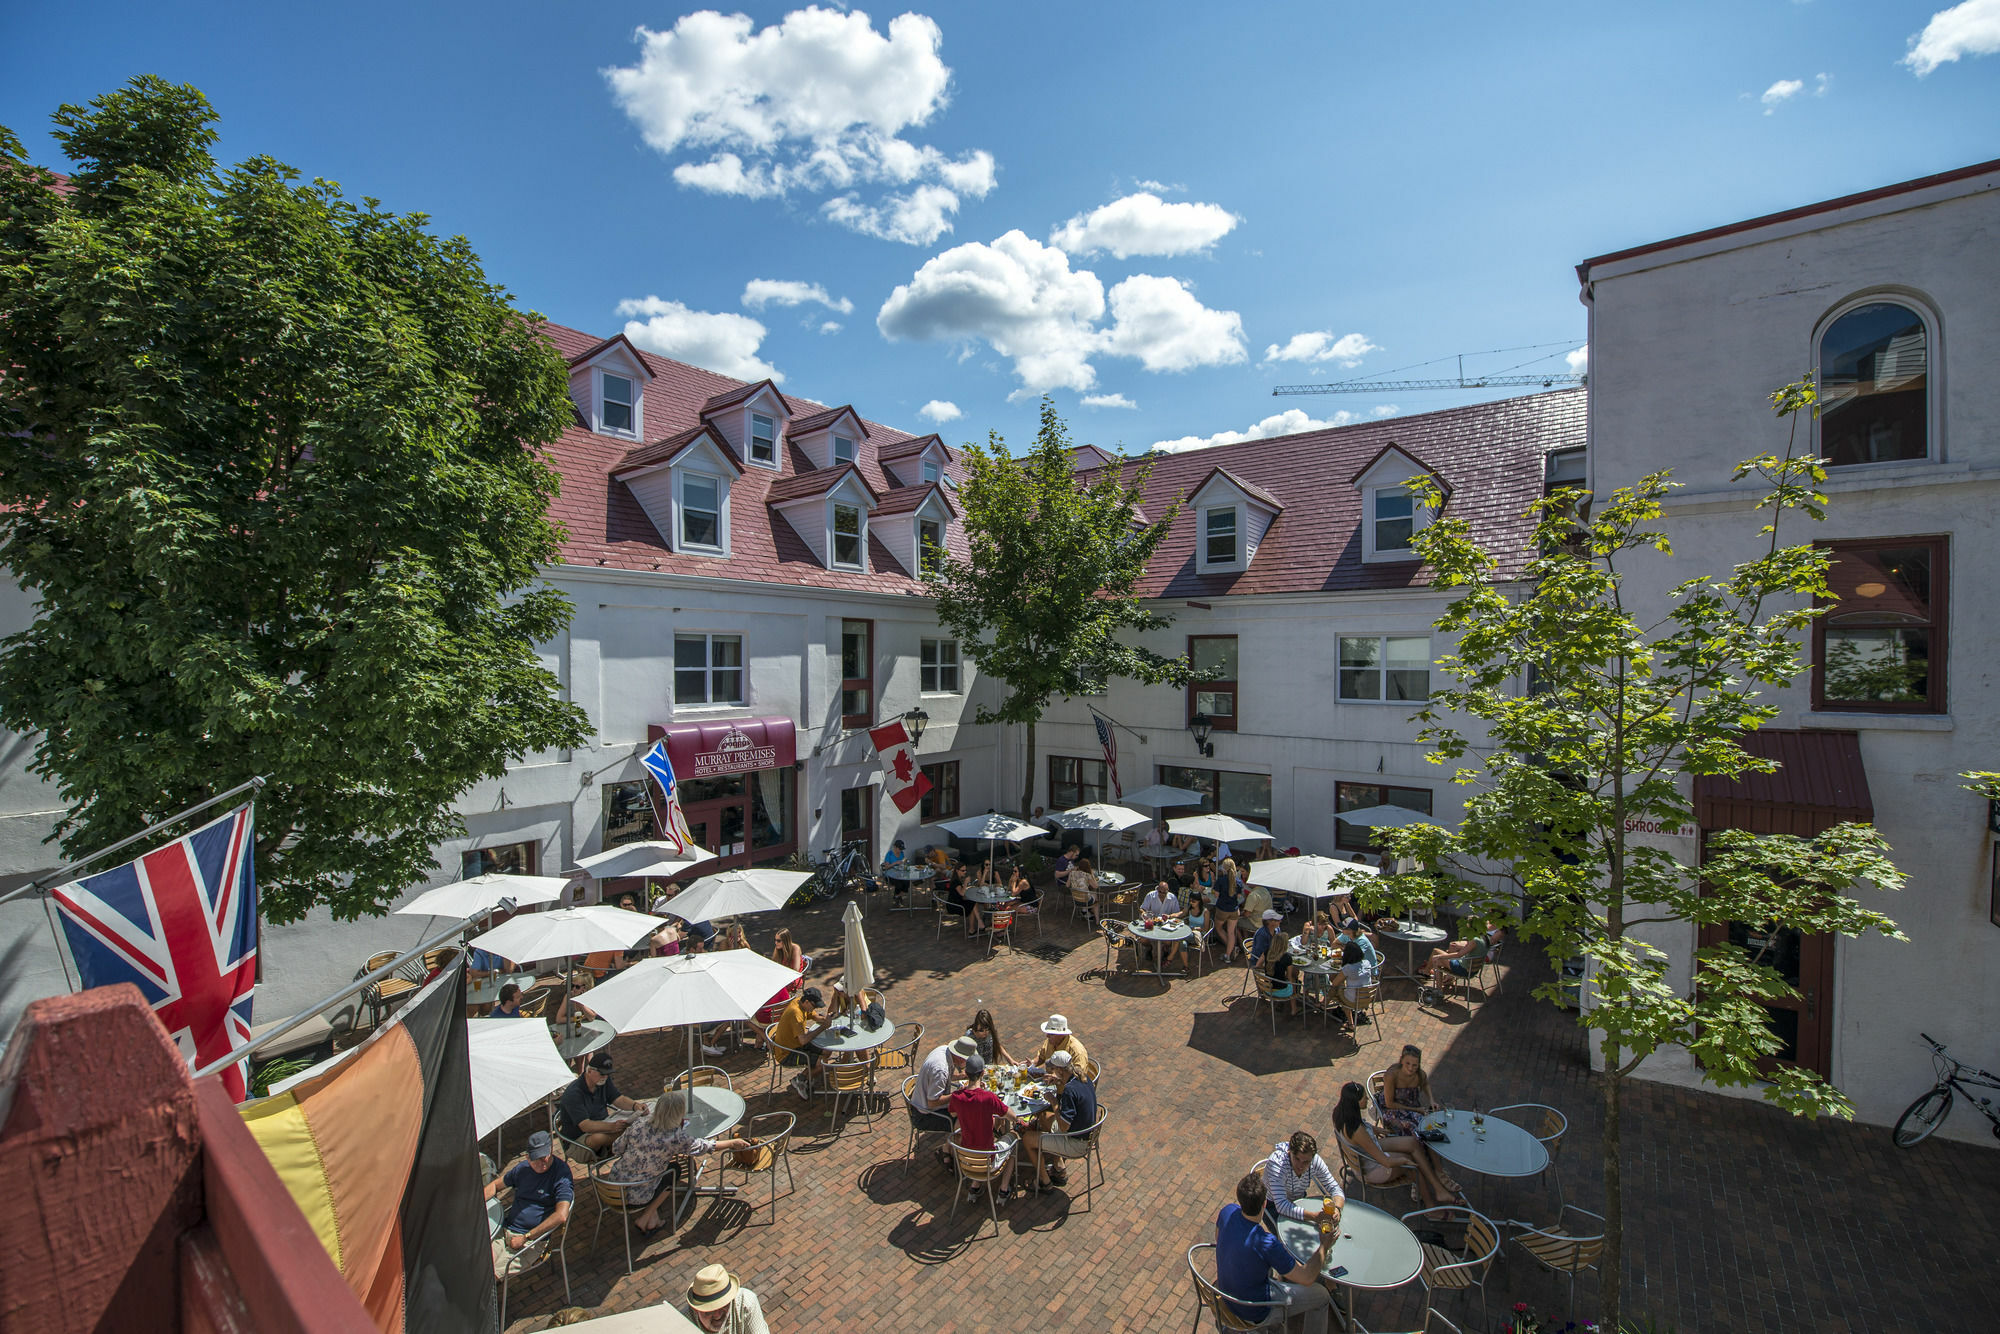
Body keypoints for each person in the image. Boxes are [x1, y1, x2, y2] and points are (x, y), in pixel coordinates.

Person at [613, 1089, 759, 1233]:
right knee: (675, 1170)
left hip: (614, 1184)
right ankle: (646, 1215)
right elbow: (704, 1147)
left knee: (662, 1169)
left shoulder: (639, 1124)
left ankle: (652, 1219)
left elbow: (616, 1148)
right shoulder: (675, 1137)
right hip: (637, 1194)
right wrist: (732, 1143)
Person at [1213, 1170, 1336, 1334]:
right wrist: (1323, 1246)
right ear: (1264, 1204)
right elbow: (1306, 1278)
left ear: (1240, 1199)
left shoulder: (1227, 1211)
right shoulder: (1267, 1243)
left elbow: (1219, 1238)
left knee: (1268, 1269)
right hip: (1254, 1311)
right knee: (1321, 1295)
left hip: (1224, 1296)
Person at [1332, 1080, 1458, 1208]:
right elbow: (1386, 1162)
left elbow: (1361, 1128)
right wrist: (1404, 1159)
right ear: (1355, 1103)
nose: (1367, 1100)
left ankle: (1438, 1189)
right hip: (1373, 1169)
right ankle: (1431, 1207)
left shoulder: (1340, 1113)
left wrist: (1375, 1129)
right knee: (1413, 1164)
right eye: (1364, 1098)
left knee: (1413, 1142)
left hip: (1367, 1151)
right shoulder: (1358, 1131)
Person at [484, 1131, 573, 1273]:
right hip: (506, 1228)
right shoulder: (522, 1169)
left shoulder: (561, 1174)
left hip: (533, 1241)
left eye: (544, 1157)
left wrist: (526, 1237)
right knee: (478, 1263)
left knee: (490, 1275)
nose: (542, 1162)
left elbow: (561, 1215)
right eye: (536, 1159)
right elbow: (495, 1186)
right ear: (527, 1157)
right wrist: (476, 1204)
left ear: (550, 1150)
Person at [1017, 1047, 1097, 1191]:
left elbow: (1064, 1126)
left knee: (1028, 1138)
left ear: (1060, 1070)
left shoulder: (1069, 1091)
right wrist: (1059, 1081)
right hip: (1084, 1133)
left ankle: (1044, 1182)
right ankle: (1058, 1166)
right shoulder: (1083, 1078)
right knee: (1044, 1117)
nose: (1050, 1072)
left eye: (1052, 1069)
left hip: (1075, 1143)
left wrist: (1054, 1102)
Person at [946, 1053, 1018, 1200]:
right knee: (1014, 1141)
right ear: (983, 1073)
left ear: (966, 1074)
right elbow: (1011, 1116)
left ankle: (975, 1186)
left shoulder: (957, 1097)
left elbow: (953, 1114)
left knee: (977, 1151)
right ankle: (1004, 1189)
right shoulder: (988, 1098)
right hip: (987, 1161)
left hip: (966, 1160)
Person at [908, 1035, 976, 1164]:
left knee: (965, 1112)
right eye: (967, 1060)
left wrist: (962, 1076)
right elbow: (932, 1102)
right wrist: (959, 1094)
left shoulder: (944, 1050)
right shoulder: (940, 1069)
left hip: (921, 1103)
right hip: (925, 1115)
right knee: (966, 1120)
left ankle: (947, 1149)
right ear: (961, 1058)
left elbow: (947, 1076)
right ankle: (956, 1158)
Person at [558, 1052, 640, 1153]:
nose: (605, 1077)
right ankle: (629, 1139)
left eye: (607, 1074)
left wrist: (635, 1106)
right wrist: (612, 1127)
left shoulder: (603, 1080)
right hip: (577, 1141)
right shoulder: (573, 1094)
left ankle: (628, 1140)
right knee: (599, 1138)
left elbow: (618, 1098)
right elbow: (585, 1125)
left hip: (604, 1125)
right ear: (589, 1071)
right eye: (602, 1073)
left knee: (635, 1124)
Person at [1261, 1130, 1346, 1222]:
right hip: (1272, 1205)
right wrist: (1314, 1217)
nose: (1300, 1166)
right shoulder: (1277, 1165)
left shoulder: (1315, 1161)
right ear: (1289, 1152)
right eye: (1297, 1159)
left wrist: (1337, 1209)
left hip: (1299, 1200)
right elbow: (1281, 1205)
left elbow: (1334, 1188)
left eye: (1306, 1162)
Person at [773, 985, 828, 1098]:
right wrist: (823, 1028)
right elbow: (803, 1041)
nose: (815, 1009)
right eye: (814, 1006)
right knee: (822, 1064)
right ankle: (801, 1081)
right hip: (787, 1053)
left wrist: (825, 1020)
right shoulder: (796, 1013)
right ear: (807, 1002)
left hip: (795, 1043)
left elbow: (814, 1016)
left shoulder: (800, 1002)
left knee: (826, 1051)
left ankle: (803, 1077)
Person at [685, 1263, 771, 1334]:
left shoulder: (746, 1303)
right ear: (695, 1309)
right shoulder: (682, 1324)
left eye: (723, 1305)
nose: (717, 1315)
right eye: (710, 1310)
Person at [1423, 921, 1505, 993]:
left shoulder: (1474, 940)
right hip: (1473, 970)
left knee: (1436, 955)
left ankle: (1438, 988)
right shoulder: (1485, 938)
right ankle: (1444, 981)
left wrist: (1440, 956)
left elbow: (1459, 955)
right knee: (1441, 955)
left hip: (1463, 969)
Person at [1379, 1044, 1443, 1135]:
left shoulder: (1420, 1075)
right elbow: (1389, 1104)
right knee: (1413, 1131)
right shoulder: (1391, 1075)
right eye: (1407, 1063)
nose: (1410, 1068)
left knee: (1428, 1127)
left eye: (1414, 1065)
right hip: (1392, 1110)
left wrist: (1432, 1100)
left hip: (1412, 1107)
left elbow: (1426, 1084)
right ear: (1401, 1060)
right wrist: (1416, 1109)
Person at [1138, 879, 1187, 967]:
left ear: (1167, 891)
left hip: (1165, 925)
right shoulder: (1150, 895)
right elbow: (1142, 908)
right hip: (1151, 923)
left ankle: (1165, 951)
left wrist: (1169, 916)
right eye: (1160, 892)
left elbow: (1177, 913)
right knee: (1143, 940)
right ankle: (1149, 948)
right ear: (1157, 890)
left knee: (1168, 942)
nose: (1161, 894)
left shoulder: (1172, 898)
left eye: (1164, 892)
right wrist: (1144, 914)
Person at [1261, 920, 1302, 1017]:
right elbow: (1289, 976)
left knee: (1288, 980)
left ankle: (1281, 1004)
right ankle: (1294, 1009)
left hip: (1267, 988)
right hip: (1281, 991)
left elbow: (1258, 965)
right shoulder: (1287, 957)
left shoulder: (1268, 951)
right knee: (1295, 982)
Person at [1212, 858, 1246, 960]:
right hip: (1234, 910)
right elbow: (1239, 896)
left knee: (1218, 928)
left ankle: (1231, 948)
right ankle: (1228, 953)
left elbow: (1216, 895)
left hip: (1222, 909)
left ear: (1224, 868)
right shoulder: (1238, 882)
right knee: (1231, 932)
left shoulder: (1221, 880)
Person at [1339, 939, 1378, 1027]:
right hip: (1368, 998)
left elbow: (1335, 983)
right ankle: (1324, 1004)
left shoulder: (1348, 968)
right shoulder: (1367, 963)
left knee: (1337, 988)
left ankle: (1350, 1023)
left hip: (1353, 1001)